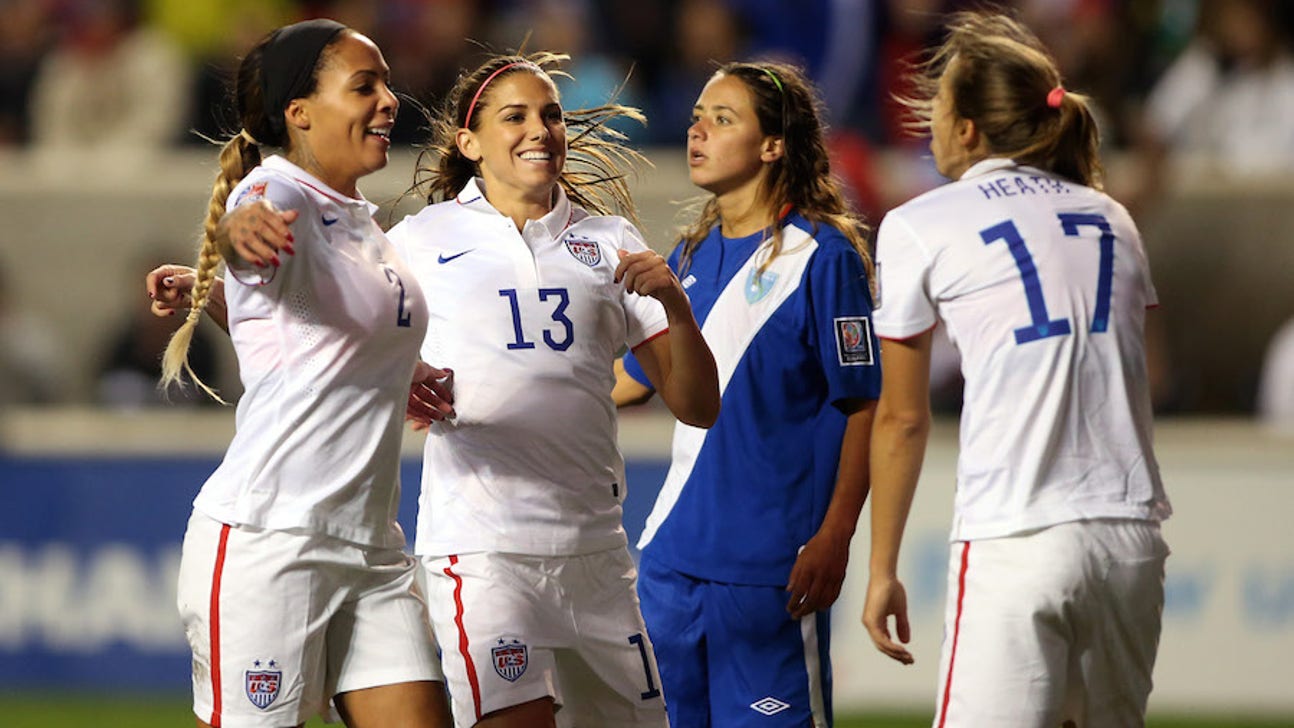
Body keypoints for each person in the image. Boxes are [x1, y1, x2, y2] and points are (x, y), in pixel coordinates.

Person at [152, 51, 720, 728]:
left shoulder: (607, 241)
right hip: (463, 548)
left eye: (551, 115)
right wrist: (226, 285)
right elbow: (308, 309)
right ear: (469, 143)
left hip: (577, 547)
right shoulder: (418, 239)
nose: (539, 130)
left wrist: (676, 307)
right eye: (515, 116)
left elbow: (698, 405)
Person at [861, 11, 1172, 728]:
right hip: (1129, 538)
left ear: (969, 129)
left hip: (1017, 532)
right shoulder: (1113, 219)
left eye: (939, 109)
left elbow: (902, 417)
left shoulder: (920, 223)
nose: (929, 126)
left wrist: (880, 570)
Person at [157, 19, 450, 728]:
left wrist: (400, 371)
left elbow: (302, 330)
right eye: (363, 86)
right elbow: (250, 224)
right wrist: (236, 235)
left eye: (385, 84)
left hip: (372, 547)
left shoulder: (361, 223)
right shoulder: (276, 189)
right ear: (300, 113)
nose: (388, 101)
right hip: (272, 539)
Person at [613, 61, 881, 727]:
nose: (697, 130)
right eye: (697, 116)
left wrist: (836, 535)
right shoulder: (690, 255)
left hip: (773, 572)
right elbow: (629, 383)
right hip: (671, 564)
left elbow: (863, 406)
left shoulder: (824, 257)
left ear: (773, 144)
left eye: (723, 119)